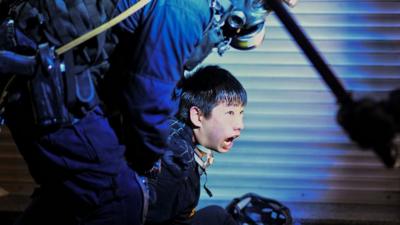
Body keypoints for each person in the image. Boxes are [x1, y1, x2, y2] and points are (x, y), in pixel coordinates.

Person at [0, 0, 295, 224]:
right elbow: (148, 94)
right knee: (120, 198)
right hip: (48, 77)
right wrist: (144, 162)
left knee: (75, 191)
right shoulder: (187, 8)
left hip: (50, 73)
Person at [144, 65, 247, 225]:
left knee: (217, 215)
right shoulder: (174, 160)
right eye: (230, 113)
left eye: (241, 113)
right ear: (197, 116)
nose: (240, 125)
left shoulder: (179, 136)